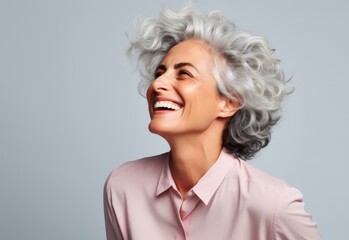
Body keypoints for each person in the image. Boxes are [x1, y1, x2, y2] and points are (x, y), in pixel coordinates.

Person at [103, 6, 321, 240]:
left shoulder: (275, 207)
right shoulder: (123, 186)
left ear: (229, 102)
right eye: (159, 73)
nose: (157, 85)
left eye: (184, 73)